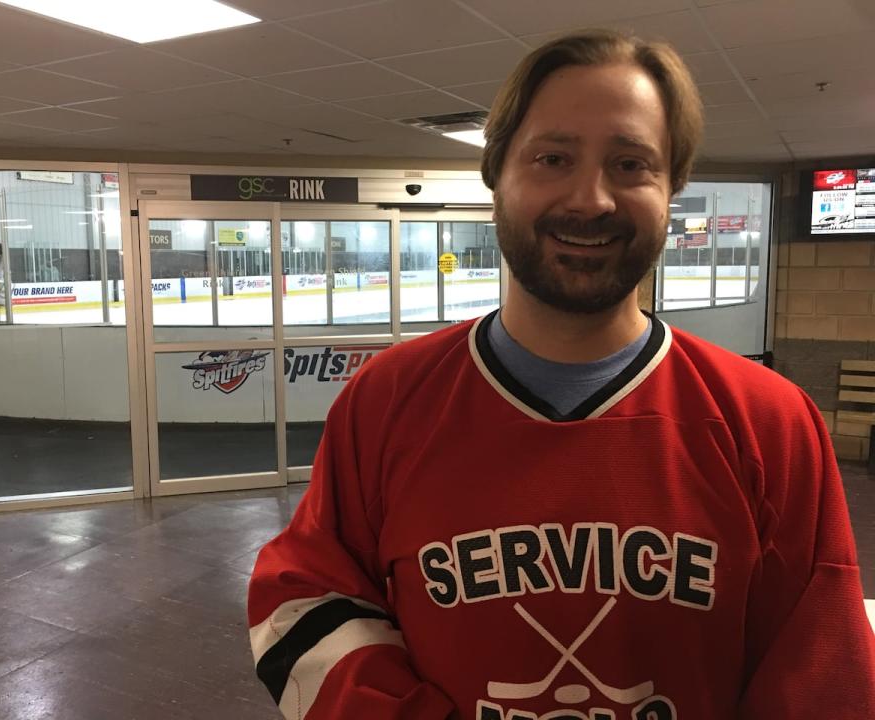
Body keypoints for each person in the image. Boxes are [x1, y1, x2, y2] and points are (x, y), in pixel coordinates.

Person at [247, 30, 875, 720]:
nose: (591, 198)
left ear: (672, 189)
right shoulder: (386, 400)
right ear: (496, 177)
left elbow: (822, 678)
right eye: (552, 158)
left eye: (632, 164)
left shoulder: (770, 421)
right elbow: (303, 600)